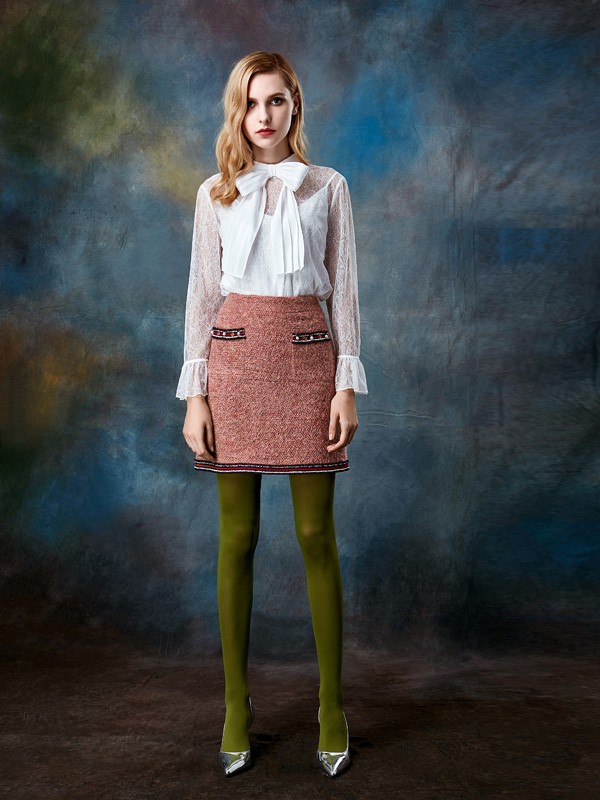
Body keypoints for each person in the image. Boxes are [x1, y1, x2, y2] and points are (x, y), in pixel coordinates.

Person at [176, 51, 368, 778]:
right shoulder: (214, 193)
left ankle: (331, 704)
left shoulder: (329, 186)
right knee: (237, 537)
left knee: (316, 534)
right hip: (233, 364)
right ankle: (235, 705)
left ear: (295, 107)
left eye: (277, 101)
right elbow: (202, 295)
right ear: (238, 111)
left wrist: (346, 385)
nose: (264, 115)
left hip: (309, 359)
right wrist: (195, 393)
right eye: (252, 103)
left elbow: (344, 289)